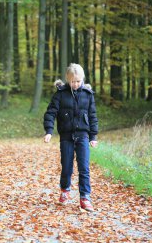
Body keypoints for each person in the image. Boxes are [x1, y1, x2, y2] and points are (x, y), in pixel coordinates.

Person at [43, 63, 98, 212]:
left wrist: (93, 136)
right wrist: (49, 131)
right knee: (67, 166)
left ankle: (85, 197)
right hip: (66, 136)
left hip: (83, 136)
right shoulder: (60, 94)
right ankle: (65, 189)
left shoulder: (88, 94)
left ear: (83, 79)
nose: (75, 84)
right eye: (72, 81)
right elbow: (50, 113)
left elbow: (92, 116)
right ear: (68, 79)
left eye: (78, 81)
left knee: (84, 168)